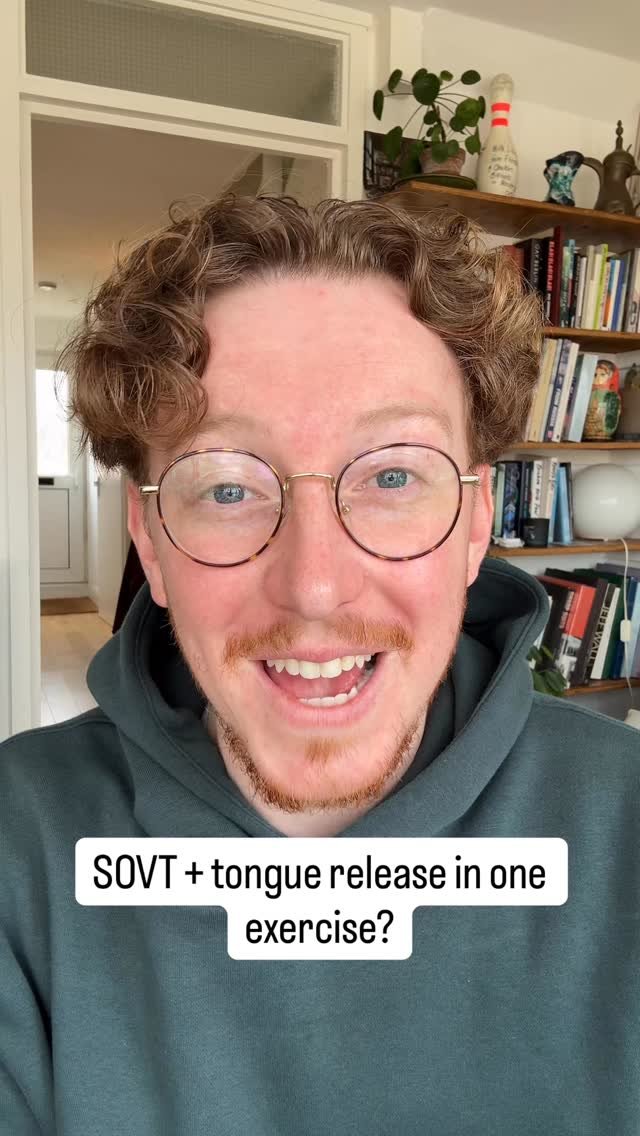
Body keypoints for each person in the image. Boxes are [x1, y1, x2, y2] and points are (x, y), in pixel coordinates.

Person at [1, 195, 639, 1135]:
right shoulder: (18, 843)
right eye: (227, 487)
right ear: (150, 541)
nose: (313, 588)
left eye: (393, 476)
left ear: (475, 526)